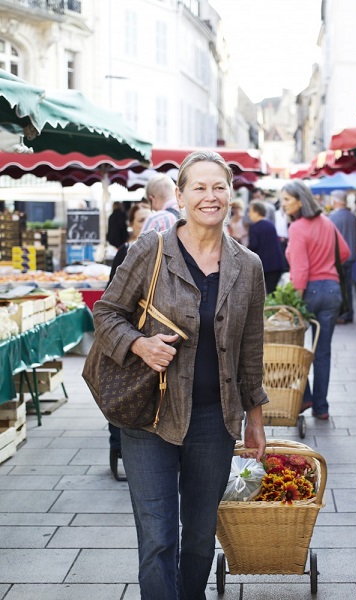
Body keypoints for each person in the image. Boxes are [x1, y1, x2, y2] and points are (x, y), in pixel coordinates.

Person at [92, 150, 268, 600]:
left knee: (197, 541)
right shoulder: (150, 251)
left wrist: (256, 418)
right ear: (181, 195)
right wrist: (139, 343)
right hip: (150, 414)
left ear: (230, 194)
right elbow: (107, 313)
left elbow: (250, 349)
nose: (210, 196)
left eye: (219, 187)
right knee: (158, 539)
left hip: (214, 420)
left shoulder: (247, 266)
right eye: (200, 187)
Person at [281, 180, 350, 420]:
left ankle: (305, 397)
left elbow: (300, 270)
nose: (283, 204)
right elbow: (345, 253)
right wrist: (325, 262)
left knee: (295, 349)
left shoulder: (298, 227)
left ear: (300, 201)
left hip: (308, 291)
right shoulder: (327, 223)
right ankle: (321, 407)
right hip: (332, 291)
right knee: (322, 352)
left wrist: (294, 305)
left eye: (287, 200)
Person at [106, 202, 152, 481]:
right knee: (121, 398)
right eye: (141, 220)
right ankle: (118, 447)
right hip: (129, 340)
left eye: (150, 219)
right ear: (132, 224)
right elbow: (110, 304)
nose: (146, 225)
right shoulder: (126, 252)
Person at [328, 190, 356, 324]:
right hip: (351, 256)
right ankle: (348, 312)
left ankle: (343, 313)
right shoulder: (353, 217)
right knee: (347, 286)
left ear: (335, 201)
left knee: (341, 286)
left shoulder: (333, 218)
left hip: (339, 258)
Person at [247, 199, 286, 294]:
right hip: (277, 264)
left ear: (256, 212)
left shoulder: (254, 227)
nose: (249, 214)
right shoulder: (270, 224)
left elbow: (253, 246)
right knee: (273, 293)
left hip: (264, 266)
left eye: (250, 211)